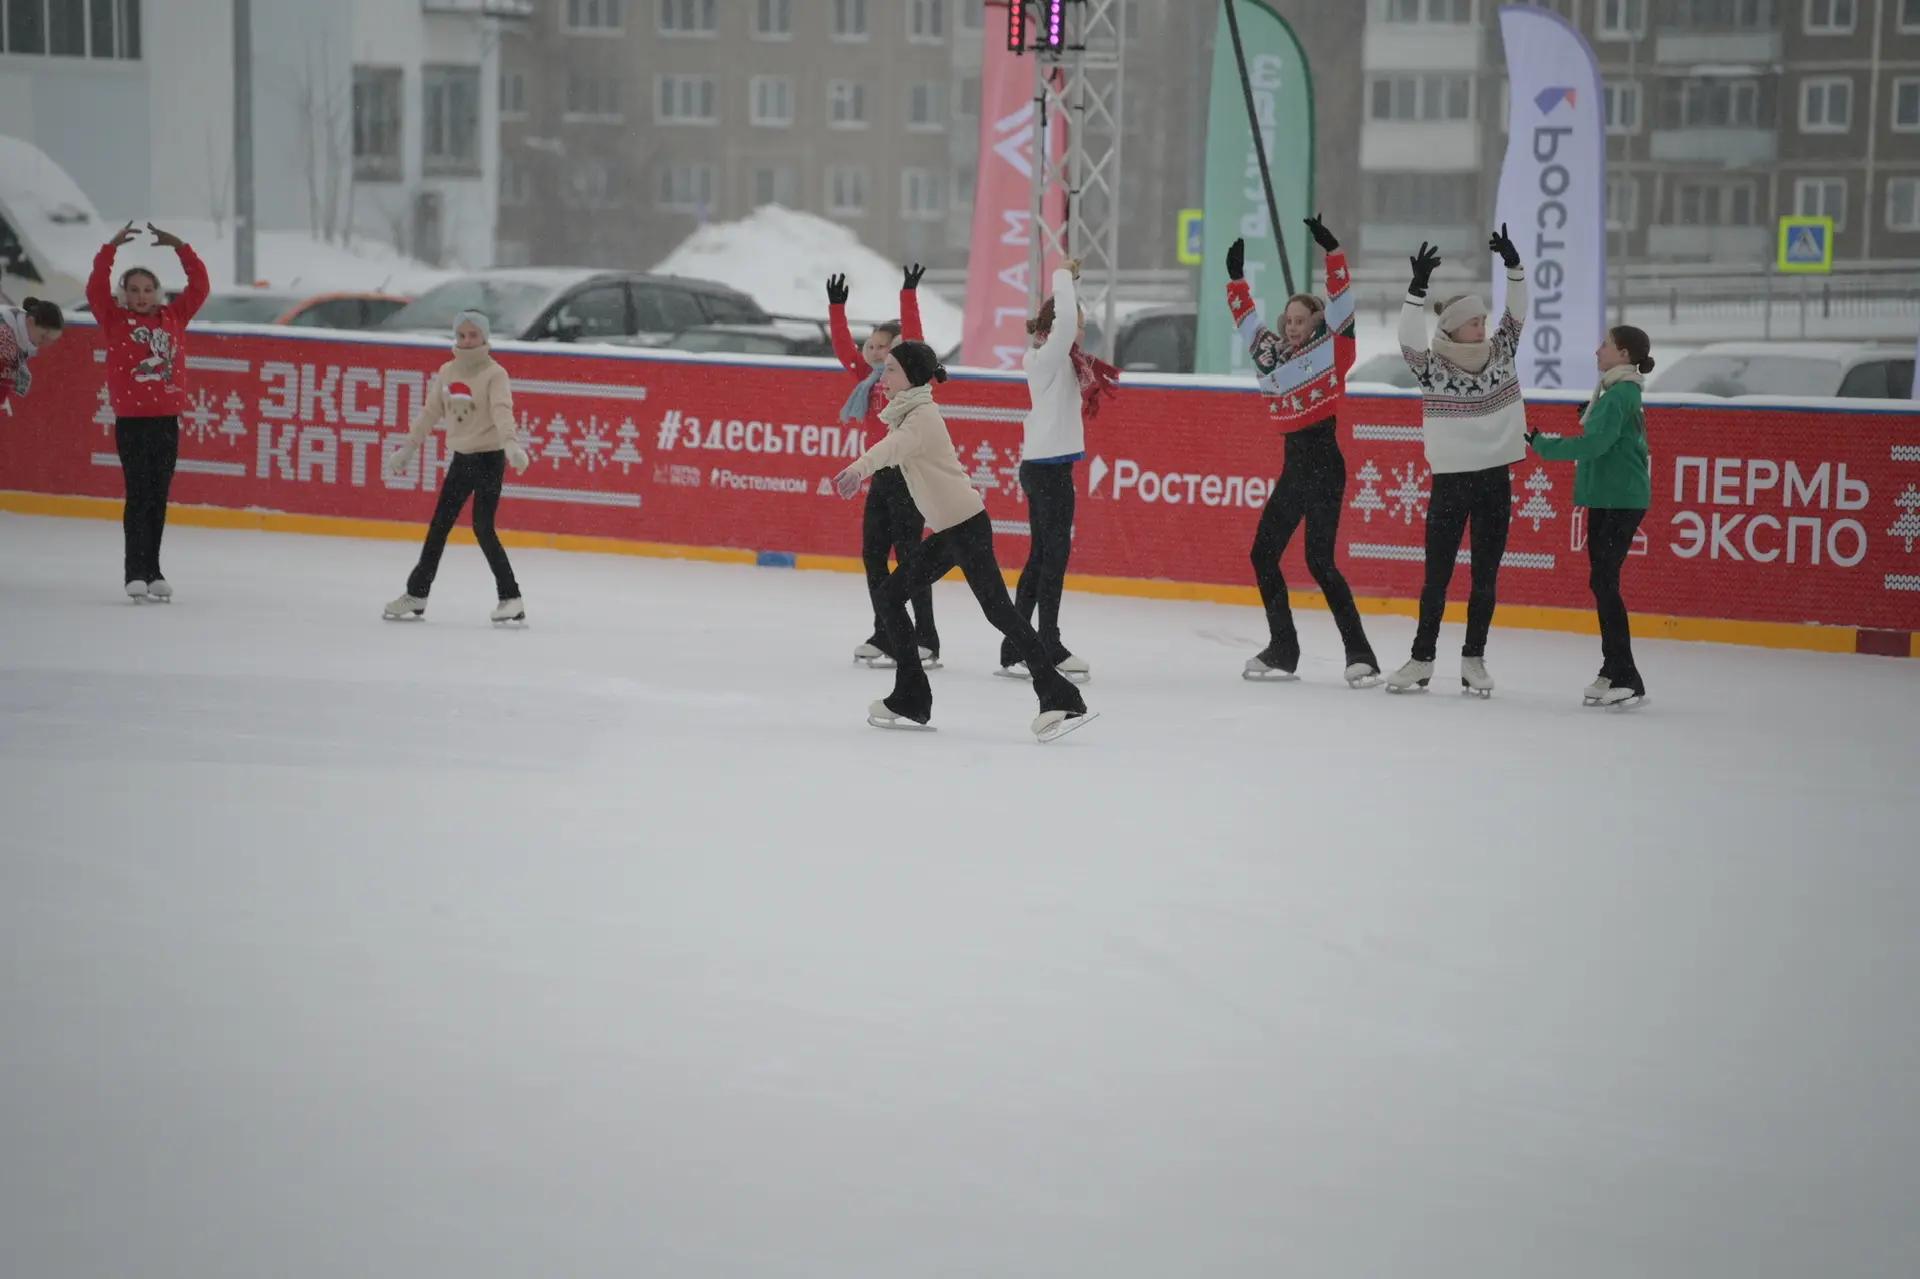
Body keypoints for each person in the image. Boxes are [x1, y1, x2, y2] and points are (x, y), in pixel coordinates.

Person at [834, 341, 1096, 743]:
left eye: (891, 369)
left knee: (996, 613)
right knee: (899, 598)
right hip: (954, 530)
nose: (884, 376)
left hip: (965, 529)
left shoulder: (920, 418)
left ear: (911, 376)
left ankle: (1056, 694)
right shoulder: (910, 412)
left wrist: (858, 469)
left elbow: (891, 449)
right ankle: (913, 696)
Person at [1225, 216, 1382, 687]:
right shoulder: (1272, 357)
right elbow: (1248, 325)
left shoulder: (1333, 351)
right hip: (1296, 469)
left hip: (1325, 466)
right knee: (1263, 554)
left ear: (1317, 322)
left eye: (1301, 320)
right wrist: (1236, 281)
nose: (1292, 327)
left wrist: (1332, 254)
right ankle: (1284, 648)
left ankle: (1361, 655)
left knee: (1320, 561)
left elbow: (1343, 304)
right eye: (1288, 321)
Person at [1386, 226, 1530, 697]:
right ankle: (1421, 659)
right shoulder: (1433, 368)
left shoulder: (1502, 352)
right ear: (1451, 329)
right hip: (1451, 482)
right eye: (1473, 323)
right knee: (1437, 577)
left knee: (1485, 576)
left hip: (1494, 480)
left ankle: (1473, 659)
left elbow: (1517, 312)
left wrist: (1514, 268)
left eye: (1483, 321)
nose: (1483, 328)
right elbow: (1408, 338)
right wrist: (1416, 290)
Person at [1000, 257, 1119, 684]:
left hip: (1047, 467)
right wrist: (1063, 275)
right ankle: (1047, 643)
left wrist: (1069, 285)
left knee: (1042, 557)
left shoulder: (1057, 360)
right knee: (1052, 558)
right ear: (1057, 328)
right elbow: (1065, 319)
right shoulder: (1047, 357)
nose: (1080, 332)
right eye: (1078, 326)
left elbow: (1065, 319)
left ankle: (1015, 646)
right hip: (1047, 471)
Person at [1527, 326, 1655, 709]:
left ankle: (1626, 675)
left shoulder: (1621, 394)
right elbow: (1611, 436)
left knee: (1604, 582)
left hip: (1620, 500)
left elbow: (1597, 444)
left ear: (1624, 354)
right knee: (1601, 582)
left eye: (1605, 345)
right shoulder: (1615, 393)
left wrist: (1543, 445)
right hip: (1607, 498)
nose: (1598, 351)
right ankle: (1613, 668)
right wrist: (1593, 416)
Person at [86, 221, 210, 602]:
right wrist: (109, 250)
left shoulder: (174, 317)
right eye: (134, 290)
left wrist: (181, 247)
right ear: (124, 294)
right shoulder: (114, 320)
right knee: (139, 495)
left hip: (166, 422)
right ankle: (134, 572)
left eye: (148, 289)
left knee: (158, 497)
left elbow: (201, 285)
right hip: (132, 424)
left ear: (158, 292)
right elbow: (94, 289)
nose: (141, 296)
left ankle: (154, 571)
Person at [382, 311, 532, 625]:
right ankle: (417, 593)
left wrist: (511, 445)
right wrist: (409, 448)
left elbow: (502, 410)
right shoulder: (447, 372)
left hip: (489, 458)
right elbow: (430, 412)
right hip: (462, 459)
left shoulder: (495, 374)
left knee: (482, 527)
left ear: (484, 338)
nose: (467, 341)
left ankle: (511, 597)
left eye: (473, 335)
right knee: (439, 526)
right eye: (462, 335)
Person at [827, 265, 939, 669]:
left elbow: (915, 336)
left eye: (883, 346)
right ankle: (885, 631)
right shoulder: (865, 380)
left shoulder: (910, 378)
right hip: (880, 476)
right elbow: (844, 350)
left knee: (910, 558)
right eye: (871, 346)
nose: (874, 352)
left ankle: (925, 638)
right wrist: (836, 309)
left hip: (909, 475)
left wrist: (907, 294)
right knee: (873, 555)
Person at [0, 296, 65, 412]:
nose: (44, 344)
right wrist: (12, 376)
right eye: (43, 337)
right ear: (30, 321)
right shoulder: (5, 337)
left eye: (50, 341)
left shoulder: (17, 339)